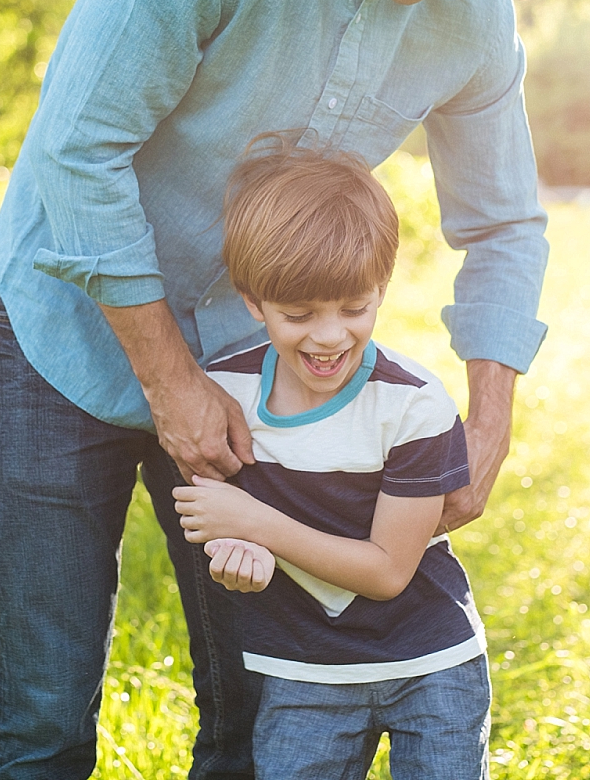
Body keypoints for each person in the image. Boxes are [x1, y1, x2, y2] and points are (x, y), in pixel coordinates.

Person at [0, 0, 590, 776]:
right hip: (64, 329)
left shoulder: (472, 16)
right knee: (43, 711)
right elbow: (77, 149)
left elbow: (504, 225)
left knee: (265, 703)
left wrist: (490, 422)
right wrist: (174, 383)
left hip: (264, 375)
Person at [173, 140, 486, 779]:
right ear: (252, 301)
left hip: (428, 664)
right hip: (301, 670)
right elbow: (222, 525)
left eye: (354, 308)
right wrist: (243, 560)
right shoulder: (221, 396)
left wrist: (258, 526)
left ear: (381, 288)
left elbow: (387, 572)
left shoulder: (412, 405)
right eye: (298, 314)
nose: (328, 335)